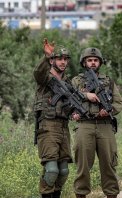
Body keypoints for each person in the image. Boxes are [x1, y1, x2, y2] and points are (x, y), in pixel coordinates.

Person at [71, 47, 122, 198]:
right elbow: (69, 96)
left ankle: (111, 194)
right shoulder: (77, 81)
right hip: (84, 124)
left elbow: (118, 102)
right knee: (83, 165)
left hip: (105, 125)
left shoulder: (108, 81)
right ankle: (81, 194)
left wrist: (109, 110)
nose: (93, 63)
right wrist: (87, 95)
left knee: (109, 164)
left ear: (100, 62)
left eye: (95, 60)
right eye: (89, 60)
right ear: (84, 62)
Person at [33, 39, 73, 198]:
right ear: (52, 60)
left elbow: (70, 104)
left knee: (63, 171)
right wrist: (45, 57)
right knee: (51, 170)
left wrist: (75, 112)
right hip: (47, 126)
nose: (63, 62)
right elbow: (37, 73)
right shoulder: (45, 77)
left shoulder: (68, 82)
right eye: (59, 58)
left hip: (64, 127)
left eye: (65, 59)